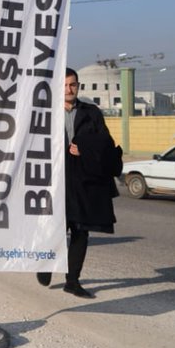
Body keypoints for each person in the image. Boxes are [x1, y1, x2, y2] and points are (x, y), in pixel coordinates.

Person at [37, 68, 121, 299]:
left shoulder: (91, 112)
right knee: (53, 227)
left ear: (78, 86)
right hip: (54, 179)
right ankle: (45, 265)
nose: (68, 89)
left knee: (81, 231)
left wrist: (86, 150)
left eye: (72, 85)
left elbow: (105, 142)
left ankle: (72, 281)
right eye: (64, 85)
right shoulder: (45, 112)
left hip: (83, 181)